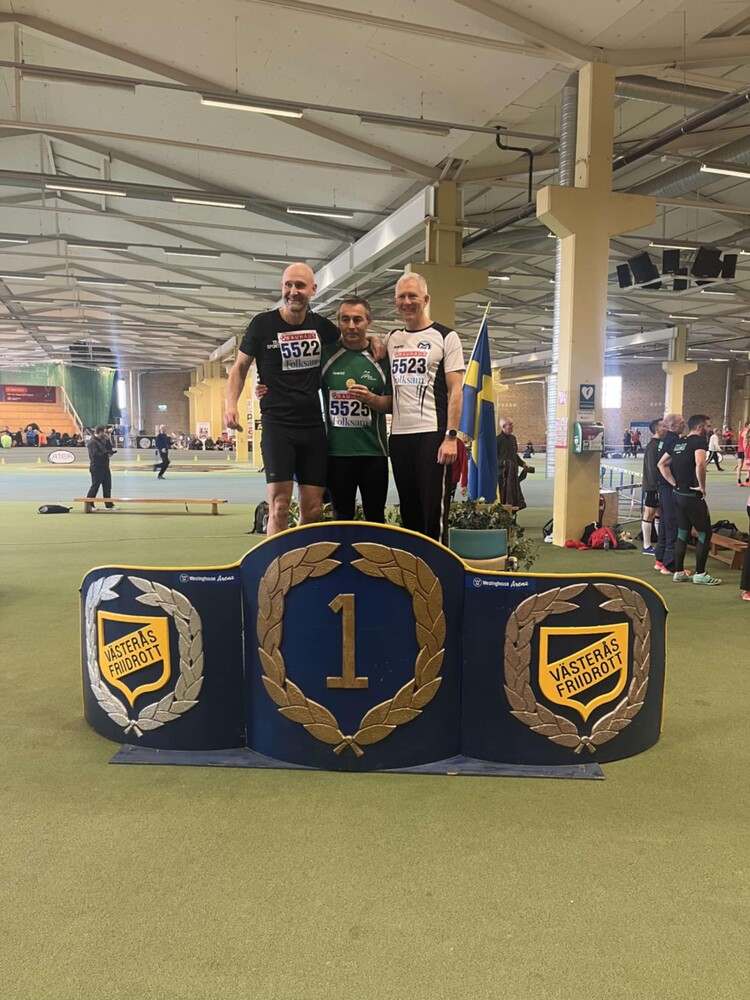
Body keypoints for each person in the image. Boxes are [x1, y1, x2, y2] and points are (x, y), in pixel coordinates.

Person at [226, 263, 382, 536]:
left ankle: (300, 558)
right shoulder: (262, 324)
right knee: (280, 505)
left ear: (313, 289)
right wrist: (230, 406)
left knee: (312, 509)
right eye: (288, 285)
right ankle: (278, 561)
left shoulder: (320, 326)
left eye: (300, 286)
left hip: (312, 428)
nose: (293, 291)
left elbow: (351, 336)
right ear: (282, 287)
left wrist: (375, 337)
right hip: (278, 426)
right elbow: (239, 367)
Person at [386, 272, 464, 543]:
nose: (407, 302)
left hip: (433, 435)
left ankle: (437, 565)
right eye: (402, 297)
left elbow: (456, 390)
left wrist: (451, 437)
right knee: (409, 513)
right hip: (399, 438)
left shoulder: (446, 336)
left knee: (433, 514)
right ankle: (413, 565)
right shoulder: (392, 339)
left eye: (413, 296)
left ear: (425, 299)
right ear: (395, 301)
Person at [320, 296, 392, 522]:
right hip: (337, 454)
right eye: (345, 319)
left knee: (375, 518)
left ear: (368, 321)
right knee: (341, 518)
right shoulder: (325, 355)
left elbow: (392, 405)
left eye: (357, 320)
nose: (351, 326)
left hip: (374, 453)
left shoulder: (381, 358)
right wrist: (266, 387)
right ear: (338, 322)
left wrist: (371, 399)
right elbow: (298, 384)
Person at [658, 413, 721, 586]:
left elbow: (661, 464)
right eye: (708, 426)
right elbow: (700, 463)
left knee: (682, 532)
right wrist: (702, 486)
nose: (709, 429)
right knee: (704, 533)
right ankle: (700, 573)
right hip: (692, 495)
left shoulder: (679, 442)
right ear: (700, 427)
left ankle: (678, 572)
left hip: (677, 494)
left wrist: (674, 483)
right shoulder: (699, 442)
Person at [653, 412, 685, 575]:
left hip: (662, 488)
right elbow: (662, 465)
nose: (684, 425)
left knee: (665, 523)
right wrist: (675, 483)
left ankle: (660, 559)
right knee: (672, 524)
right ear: (673, 426)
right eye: (681, 423)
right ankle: (670, 565)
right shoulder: (674, 442)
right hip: (668, 488)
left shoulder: (663, 441)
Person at [641, 419, 665, 555]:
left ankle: (661, 543)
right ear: (657, 429)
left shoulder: (660, 444)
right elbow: (652, 468)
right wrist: (656, 486)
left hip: (658, 486)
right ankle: (646, 546)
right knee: (649, 513)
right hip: (653, 486)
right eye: (663, 426)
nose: (666, 428)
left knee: (659, 513)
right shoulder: (652, 446)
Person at [497, 417, 530, 510]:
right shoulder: (497, 440)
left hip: (513, 474)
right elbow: (494, 459)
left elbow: (514, 455)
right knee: (503, 499)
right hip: (503, 476)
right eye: (510, 424)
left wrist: (523, 464)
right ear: (503, 426)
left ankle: (512, 517)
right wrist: (503, 463)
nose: (512, 426)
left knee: (515, 499)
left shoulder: (513, 438)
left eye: (512, 424)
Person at [85, 424, 117, 511]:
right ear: (100, 432)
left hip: (105, 466)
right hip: (96, 467)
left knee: (107, 486)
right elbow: (94, 455)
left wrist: (108, 441)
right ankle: (89, 505)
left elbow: (108, 449)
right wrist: (105, 454)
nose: (106, 434)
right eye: (104, 432)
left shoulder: (102, 440)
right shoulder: (92, 442)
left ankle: (108, 505)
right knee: (95, 486)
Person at [736, 420, 750, 485]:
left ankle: (739, 480)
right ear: (747, 425)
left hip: (740, 450)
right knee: (748, 465)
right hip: (745, 450)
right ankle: (747, 480)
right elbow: (745, 441)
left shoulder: (741, 431)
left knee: (740, 465)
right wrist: (745, 451)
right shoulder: (746, 432)